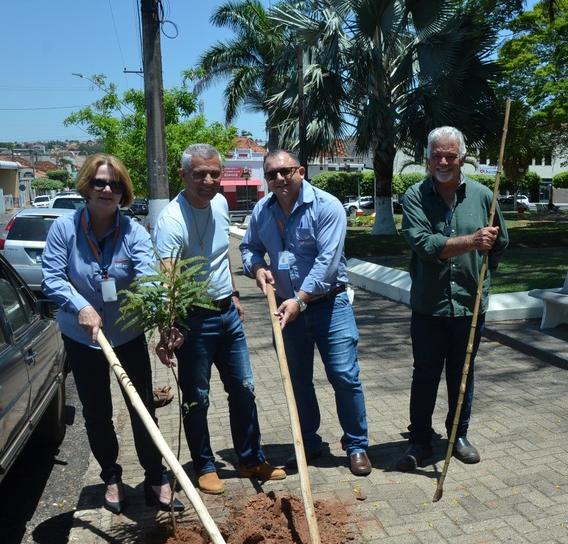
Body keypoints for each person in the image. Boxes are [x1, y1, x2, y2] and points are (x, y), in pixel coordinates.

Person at [42, 153, 183, 514]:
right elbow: (53, 278)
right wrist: (81, 306)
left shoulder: (133, 231)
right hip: (83, 337)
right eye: (99, 182)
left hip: (126, 334)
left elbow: (151, 277)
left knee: (142, 407)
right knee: (97, 411)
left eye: (115, 184)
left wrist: (166, 322)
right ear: (86, 186)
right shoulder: (64, 229)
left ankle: (155, 477)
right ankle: (111, 476)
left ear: (124, 193)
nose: (106, 189)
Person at [153, 143, 286, 495]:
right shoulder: (170, 221)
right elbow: (167, 281)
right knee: (198, 396)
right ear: (183, 175)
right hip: (192, 321)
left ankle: (250, 459)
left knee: (244, 388)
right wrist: (167, 329)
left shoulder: (220, 204)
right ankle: (205, 465)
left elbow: (219, 256)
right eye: (200, 174)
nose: (209, 180)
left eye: (214, 172)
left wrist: (235, 294)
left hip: (227, 313)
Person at [240, 149, 371, 477]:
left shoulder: (327, 207)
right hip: (284, 308)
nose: (280, 179)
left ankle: (356, 445)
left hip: (329, 305)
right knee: (296, 380)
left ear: (300, 170)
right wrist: (256, 268)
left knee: (343, 375)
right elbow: (248, 247)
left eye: (285, 171)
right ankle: (309, 443)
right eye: (272, 174)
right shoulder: (262, 210)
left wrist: (300, 299)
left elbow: (327, 263)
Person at [396, 126, 509, 472]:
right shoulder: (415, 196)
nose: (443, 161)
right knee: (425, 374)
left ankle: (458, 435)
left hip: (469, 306)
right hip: (430, 305)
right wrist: (472, 242)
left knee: (463, 374)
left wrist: (484, 267)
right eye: (436, 155)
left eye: (450, 155)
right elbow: (426, 246)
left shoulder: (482, 195)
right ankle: (420, 440)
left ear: (461, 158)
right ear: (427, 158)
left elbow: (501, 242)